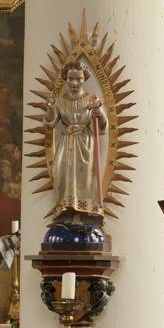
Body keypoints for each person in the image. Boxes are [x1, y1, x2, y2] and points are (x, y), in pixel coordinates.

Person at [44, 61, 108, 221]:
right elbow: (51, 123)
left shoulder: (91, 99)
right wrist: (51, 107)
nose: (74, 83)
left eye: (78, 79)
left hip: (85, 143)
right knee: (62, 175)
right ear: (65, 78)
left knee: (84, 177)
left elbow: (103, 126)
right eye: (71, 79)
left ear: (84, 78)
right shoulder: (60, 100)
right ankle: (65, 209)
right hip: (66, 143)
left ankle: (85, 212)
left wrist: (98, 111)